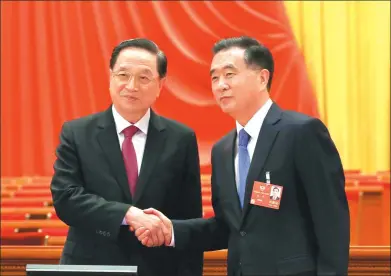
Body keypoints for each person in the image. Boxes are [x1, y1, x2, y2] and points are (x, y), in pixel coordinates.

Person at [135, 36, 350, 276]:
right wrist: (171, 230)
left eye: (230, 74)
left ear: (262, 78)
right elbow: (230, 227)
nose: (220, 85)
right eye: (214, 77)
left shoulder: (302, 132)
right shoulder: (223, 149)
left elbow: (332, 222)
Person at [50, 38, 203, 276]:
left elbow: (190, 220)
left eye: (143, 78)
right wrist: (127, 214)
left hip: (157, 267)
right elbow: (66, 199)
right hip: (90, 265)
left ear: (160, 85)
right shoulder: (77, 133)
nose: (131, 86)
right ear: (111, 77)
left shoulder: (180, 138)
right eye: (123, 75)